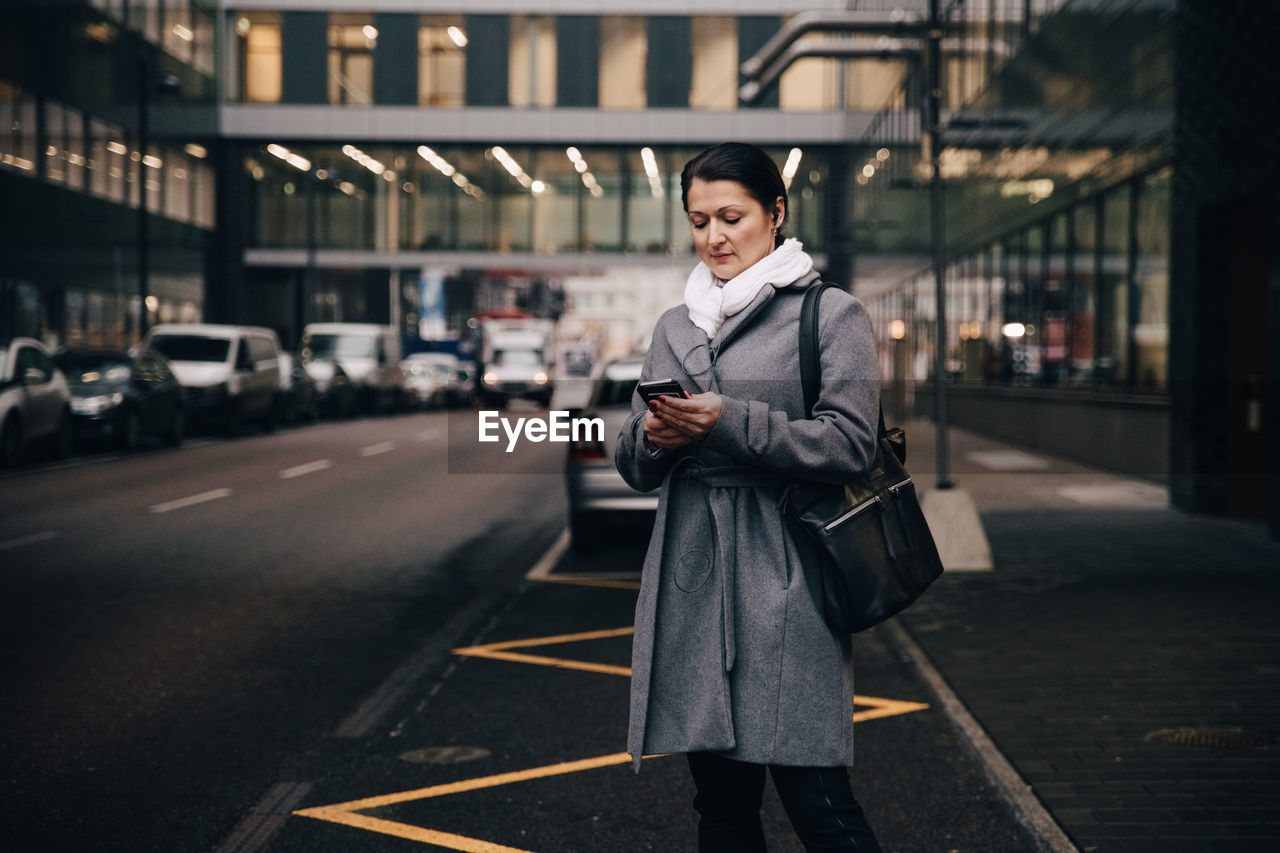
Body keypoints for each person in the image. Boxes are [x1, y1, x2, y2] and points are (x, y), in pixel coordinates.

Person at [616, 142, 884, 852]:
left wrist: (729, 421)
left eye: (731, 216)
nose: (714, 237)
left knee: (819, 800)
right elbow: (632, 464)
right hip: (694, 582)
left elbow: (853, 444)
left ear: (775, 212)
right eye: (699, 220)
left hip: (786, 569)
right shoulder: (677, 325)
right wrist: (655, 434)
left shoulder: (830, 315)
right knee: (722, 808)